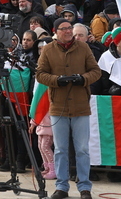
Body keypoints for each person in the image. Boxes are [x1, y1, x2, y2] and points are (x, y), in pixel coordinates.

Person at [35, 17, 102, 199]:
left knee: (82, 149)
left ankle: (84, 187)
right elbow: (40, 74)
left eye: (69, 28)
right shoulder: (48, 49)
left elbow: (96, 71)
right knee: (60, 149)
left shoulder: (83, 47)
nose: (67, 31)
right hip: (58, 106)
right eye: (63, 28)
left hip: (80, 106)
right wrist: (56, 80)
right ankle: (62, 186)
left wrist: (83, 79)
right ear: (55, 31)